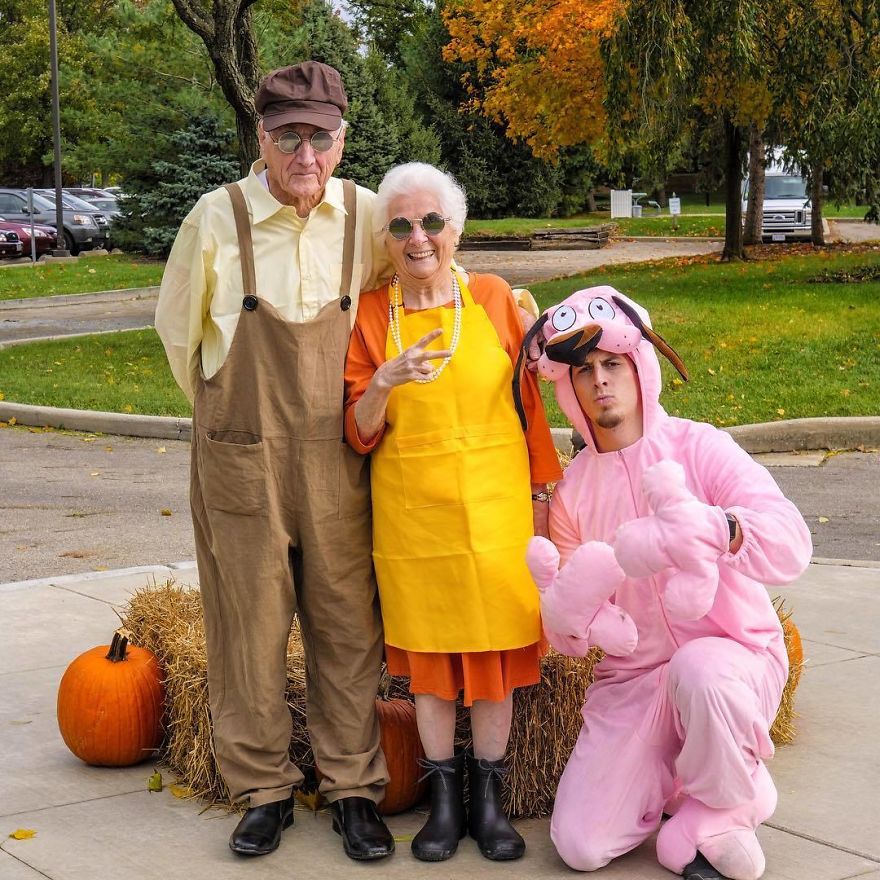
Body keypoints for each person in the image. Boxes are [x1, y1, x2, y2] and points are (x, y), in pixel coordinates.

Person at [154, 61, 397, 861]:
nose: (304, 154)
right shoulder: (215, 216)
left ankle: (354, 787)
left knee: (346, 626)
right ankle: (262, 790)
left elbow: (418, 289)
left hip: (336, 457)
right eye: (286, 135)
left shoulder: (367, 216)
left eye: (319, 137)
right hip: (241, 456)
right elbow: (179, 339)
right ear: (260, 137)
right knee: (247, 626)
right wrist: (231, 421)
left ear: (341, 139)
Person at [521, 285, 812, 880]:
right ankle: (690, 784)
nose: (600, 381)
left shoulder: (699, 446)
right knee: (580, 845)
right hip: (633, 682)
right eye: (584, 372)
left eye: (612, 364)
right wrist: (566, 617)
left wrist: (719, 527)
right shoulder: (572, 494)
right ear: (569, 390)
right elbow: (579, 623)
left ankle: (729, 807)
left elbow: (791, 542)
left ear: (639, 366)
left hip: (735, 657)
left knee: (700, 671)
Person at [343, 162, 562, 862]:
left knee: (494, 660)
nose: (417, 238)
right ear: (384, 239)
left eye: (431, 222)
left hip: (497, 520)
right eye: (401, 225)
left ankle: (490, 804)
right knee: (433, 668)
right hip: (416, 527)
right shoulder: (374, 316)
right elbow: (358, 431)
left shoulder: (497, 299)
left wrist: (541, 502)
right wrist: (382, 381)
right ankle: (442, 805)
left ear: (455, 229)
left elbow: (532, 412)